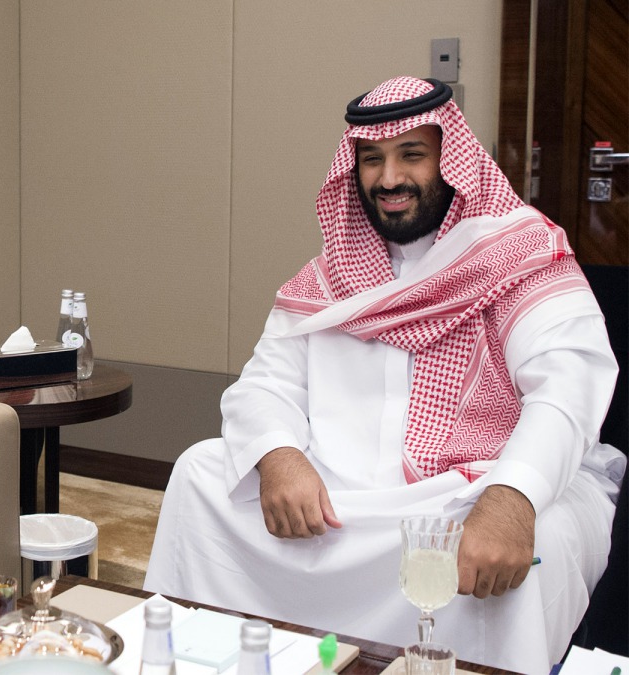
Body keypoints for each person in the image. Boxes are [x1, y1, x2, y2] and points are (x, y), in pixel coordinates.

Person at [144, 77, 624, 673]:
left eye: (412, 155)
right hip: (339, 504)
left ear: (452, 160)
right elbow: (263, 384)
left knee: (535, 546)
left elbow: (568, 387)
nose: (389, 178)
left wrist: (510, 500)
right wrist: (279, 456)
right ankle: (208, 658)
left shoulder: (520, 256)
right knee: (199, 474)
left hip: (460, 496)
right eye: (371, 160)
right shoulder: (329, 279)